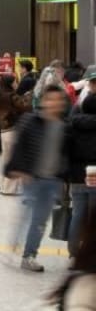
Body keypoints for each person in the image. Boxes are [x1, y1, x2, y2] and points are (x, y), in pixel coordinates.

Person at [5, 85, 69, 272]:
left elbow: (65, 154)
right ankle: (13, 247)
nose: (54, 103)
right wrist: (15, 170)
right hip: (31, 178)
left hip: (52, 181)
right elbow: (18, 148)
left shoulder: (64, 126)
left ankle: (29, 256)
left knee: (40, 221)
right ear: (43, 101)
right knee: (26, 218)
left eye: (59, 100)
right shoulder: (30, 121)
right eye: (50, 99)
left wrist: (63, 177)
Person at [50, 201, 96, 311]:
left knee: (77, 215)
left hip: (76, 185)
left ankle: (73, 254)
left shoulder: (81, 285)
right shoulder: (88, 292)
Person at [65, 94, 96, 258]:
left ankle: (73, 251)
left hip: (77, 175)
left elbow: (66, 150)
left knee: (77, 214)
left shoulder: (73, 124)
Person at [0, 73, 31, 196]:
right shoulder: (12, 95)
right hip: (12, 130)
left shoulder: (0, 94)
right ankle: (9, 189)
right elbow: (24, 107)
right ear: (10, 83)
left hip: (3, 130)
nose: (16, 84)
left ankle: (4, 186)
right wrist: (28, 96)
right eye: (15, 82)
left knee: (6, 159)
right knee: (13, 160)